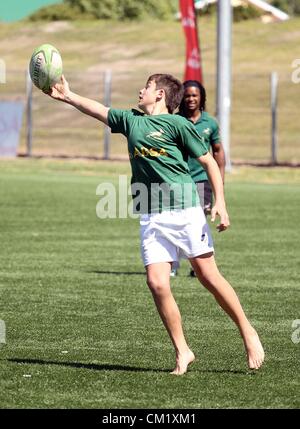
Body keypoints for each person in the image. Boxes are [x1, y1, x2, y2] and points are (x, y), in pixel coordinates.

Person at [45, 73, 265, 375]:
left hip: (186, 210)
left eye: (146, 86)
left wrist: (221, 203)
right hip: (151, 214)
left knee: (208, 277)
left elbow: (209, 162)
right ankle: (183, 351)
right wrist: (69, 96)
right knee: (157, 283)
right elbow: (98, 109)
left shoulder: (178, 125)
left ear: (159, 94)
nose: (140, 90)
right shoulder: (131, 120)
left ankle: (247, 331)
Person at [171, 80, 226, 277]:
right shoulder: (174, 121)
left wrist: (220, 183)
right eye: (187, 95)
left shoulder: (209, 123)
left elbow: (218, 153)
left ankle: (199, 265)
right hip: (179, 180)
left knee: (198, 221)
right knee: (176, 221)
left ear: (201, 97)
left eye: (195, 95)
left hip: (202, 180)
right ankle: (172, 265)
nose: (191, 99)